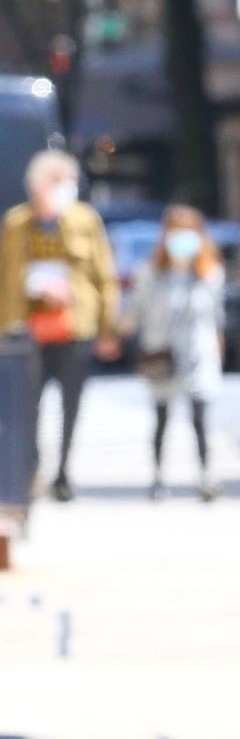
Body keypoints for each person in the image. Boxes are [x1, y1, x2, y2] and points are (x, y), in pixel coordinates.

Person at [0, 148, 118, 500]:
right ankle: (31, 466)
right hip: (27, 327)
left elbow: (103, 274)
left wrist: (108, 328)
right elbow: (6, 275)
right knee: (27, 404)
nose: (67, 187)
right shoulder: (17, 222)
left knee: (71, 402)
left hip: (74, 325)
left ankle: (63, 471)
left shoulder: (84, 220)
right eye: (59, 181)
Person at [130, 205, 225, 501]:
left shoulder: (209, 273)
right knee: (161, 418)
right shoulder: (149, 273)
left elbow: (217, 318)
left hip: (198, 354)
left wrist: (219, 351)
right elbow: (138, 313)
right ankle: (158, 478)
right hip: (162, 354)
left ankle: (206, 477)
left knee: (200, 418)